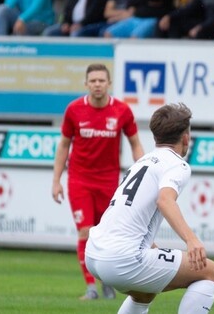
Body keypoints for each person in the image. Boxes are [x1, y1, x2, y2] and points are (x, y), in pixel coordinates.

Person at [85, 102, 214, 312]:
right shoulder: (177, 164)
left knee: (145, 291)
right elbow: (165, 200)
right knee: (210, 271)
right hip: (122, 258)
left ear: (155, 136)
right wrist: (191, 240)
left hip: (94, 252)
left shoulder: (142, 162)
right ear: (186, 137)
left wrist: (151, 246)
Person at [52, 63, 145, 300]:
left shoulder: (122, 111)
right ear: (86, 84)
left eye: (101, 81)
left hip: (109, 181)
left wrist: (144, 173)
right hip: (79, 180)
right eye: (92, 81)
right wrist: (56, 180)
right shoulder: (74, 110)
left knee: (107, 234)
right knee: (85, 232)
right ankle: (91, 288)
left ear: (109, 83)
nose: (97, 85)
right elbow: (63, 145)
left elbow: (135, 143)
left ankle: (107, 282)